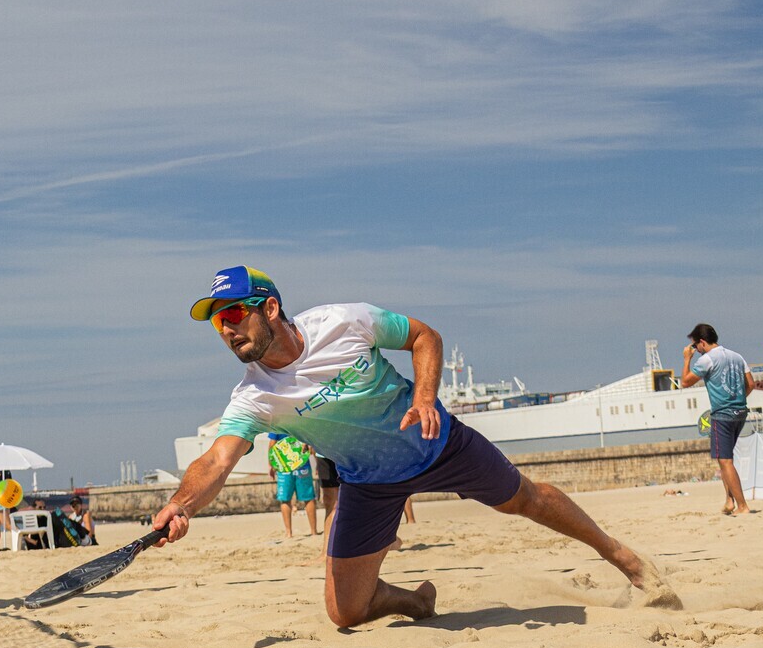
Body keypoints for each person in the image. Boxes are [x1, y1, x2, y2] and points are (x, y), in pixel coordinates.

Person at [152, 265, 678, 626]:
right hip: (370, 484)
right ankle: (414, 602)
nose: (225, 331)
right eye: (216, 323)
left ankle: (622, 557)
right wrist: (181, 504)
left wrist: (425, 397)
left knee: (526, 499)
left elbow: (423, 336)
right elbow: (217, 459)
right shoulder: (255, 395)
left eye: (231, 315)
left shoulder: (344, 321)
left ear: (268, 309)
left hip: (435, 444)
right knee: (346, 614)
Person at [681, 324, 755, 516]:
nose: (695, 350)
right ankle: (729, 501)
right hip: (740, 412)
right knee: (726, 459)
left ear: (702, 342)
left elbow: (685, 382)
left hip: (722, 414)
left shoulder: (707, 360)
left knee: (725, 460)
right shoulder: (737, 356)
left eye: (695, 347)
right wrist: (738, 399)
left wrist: (687, 359)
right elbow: (751, 384)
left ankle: (742, 505)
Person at [269, 433, 318, 539]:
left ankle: (288, 533)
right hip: (302, 464)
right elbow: (311, 443)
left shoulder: (277, 422)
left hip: (284, 466)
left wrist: (271, 465)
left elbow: (272, 444)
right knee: (308, 497)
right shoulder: (302, 420)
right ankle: (313, 531)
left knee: (285, 499)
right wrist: (317, 462)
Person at [316, 455, 340, 556]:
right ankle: (326, 552)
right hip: (323, 452)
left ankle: (389, 539)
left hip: (347, 449)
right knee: (330, 501)